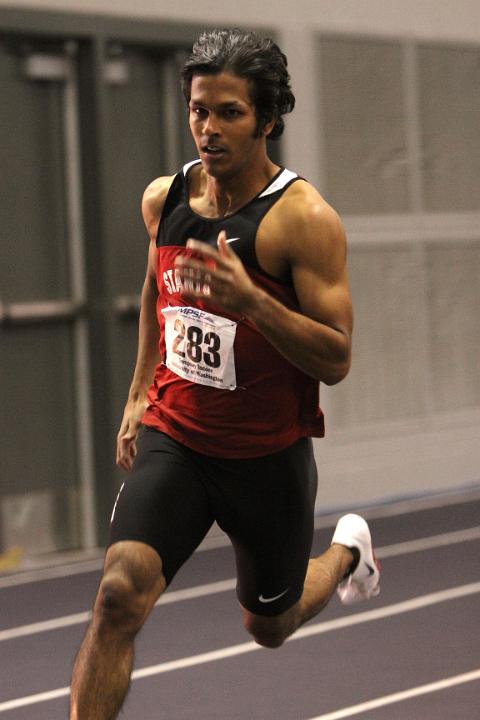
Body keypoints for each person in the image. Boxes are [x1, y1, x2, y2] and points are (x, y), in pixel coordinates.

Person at [70, 28, 380, 719]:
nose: (208, 130)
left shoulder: (302, 221)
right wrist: (135, 396)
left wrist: (254, 305)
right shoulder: (166, 199)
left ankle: (347, 555)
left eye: (229, 113)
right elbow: (157, 289)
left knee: (267, 626)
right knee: (119, 594)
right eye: (198, 110)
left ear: (268, 119)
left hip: (265, 458)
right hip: (177, 438)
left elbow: (336, 357)